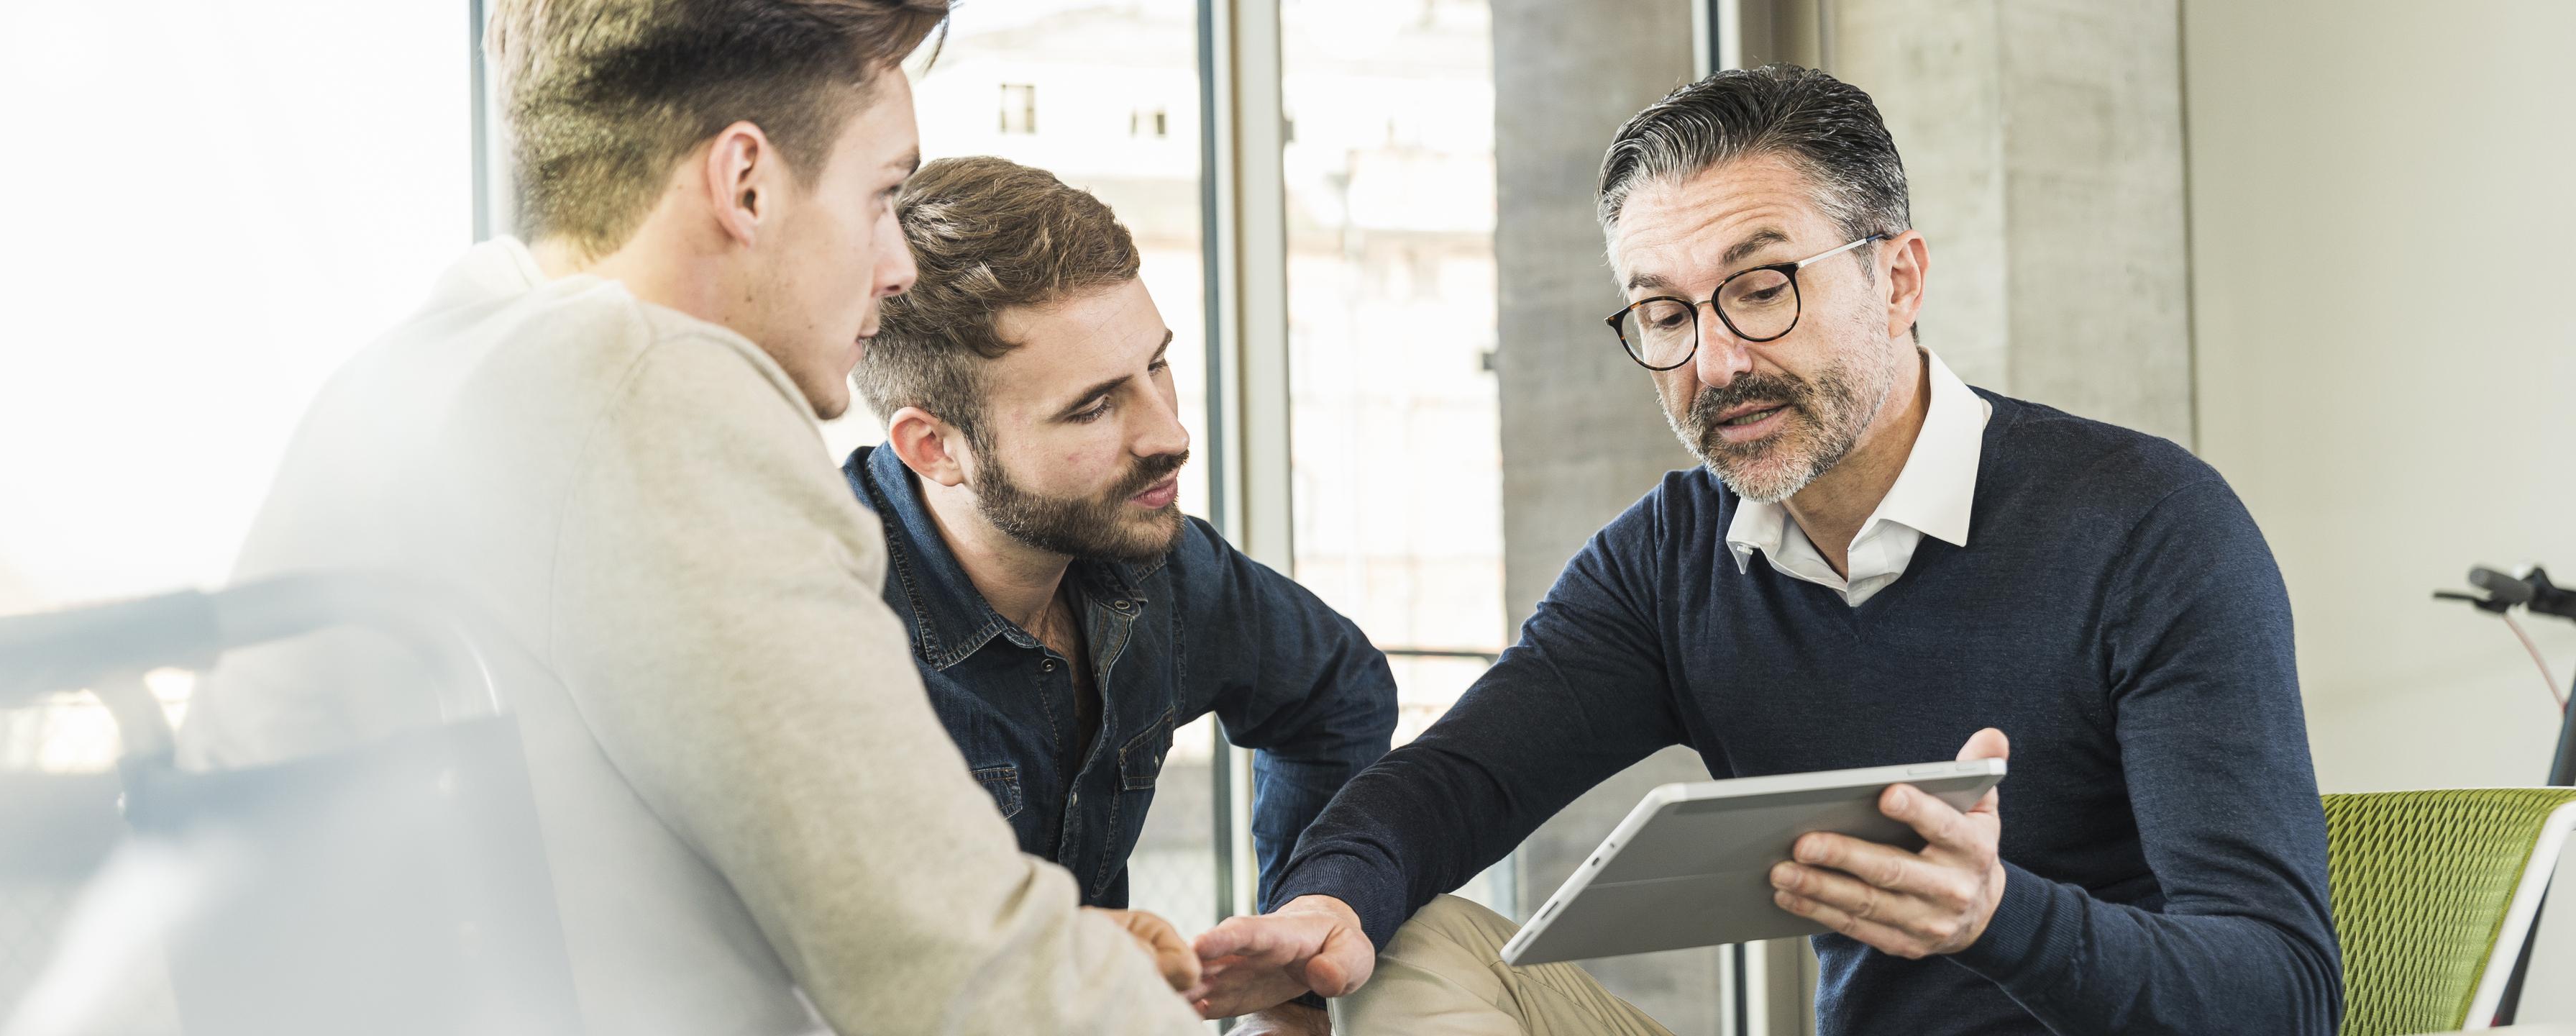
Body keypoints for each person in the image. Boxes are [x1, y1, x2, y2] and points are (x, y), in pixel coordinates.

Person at [1189, 63, 2342, 1035]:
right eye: (1668, 313)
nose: (1718, 362)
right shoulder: (1668, 561)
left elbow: (2282, 993)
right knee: (1410, 930)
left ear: (1898, 278)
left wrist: (1999, 917)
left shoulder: (2148, 526)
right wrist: (1327, 909)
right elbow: (1451, 786)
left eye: (1760, 288)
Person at [177, 2, 1209, 1032]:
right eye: (882, 196)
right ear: (746, 184)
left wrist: (1072, 953)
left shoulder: (411, 376)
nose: (896, 266)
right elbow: (957, 973)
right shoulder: (649, 390)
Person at [844, 155, 1399, 1035]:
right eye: (1094, 407)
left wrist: (1292, 978)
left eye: (1158, 367)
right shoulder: (818, 619)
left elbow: (1339, 693)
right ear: (934, 447)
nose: (1170, 434)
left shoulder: (1151, 564)